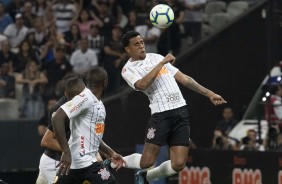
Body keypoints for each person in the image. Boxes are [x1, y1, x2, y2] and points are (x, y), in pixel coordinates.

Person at [120, 30, 227, 184]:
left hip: (180, 111)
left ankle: (147, 177)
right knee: (146, 162)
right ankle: (116, 160)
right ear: (128, 49)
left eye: (142, 42)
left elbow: (184, 79)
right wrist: (162, 63)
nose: (142, 46)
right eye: (136, 44)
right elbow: (142, 85)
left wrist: (209, 93)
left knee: (178, 164)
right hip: (160, 115)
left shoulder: (155, 57)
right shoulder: (128, 69)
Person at [52, 67, 124, 184]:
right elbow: (56, 118)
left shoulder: (99, 103)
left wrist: (111, 153)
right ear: (105, 82)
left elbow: (93, 136)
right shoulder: (86, 98)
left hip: (80, 165)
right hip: (83, 164)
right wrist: (66, 151)